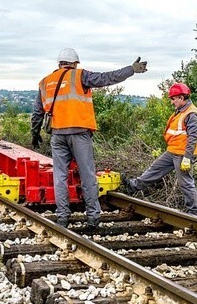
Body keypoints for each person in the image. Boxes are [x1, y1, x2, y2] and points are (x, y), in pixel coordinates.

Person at [31, 48, 148, 229]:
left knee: (60, 176)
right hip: (79, 133)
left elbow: (37, 111)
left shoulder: (45, 82)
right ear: (75, 63)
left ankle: (62, 217)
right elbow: (107, 78)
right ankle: (93, 216)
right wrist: (131, 69)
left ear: (59, 63)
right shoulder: (80, 76)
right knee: (87, 174)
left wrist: (35, 133)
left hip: (57, 134)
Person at [123, 83, 197, 216]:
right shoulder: (181, 111)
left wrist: (187, 158)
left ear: (181, 98)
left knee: (186, 183)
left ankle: (195, 213)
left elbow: (193, 138)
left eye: (173, 99)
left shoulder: (192, 114)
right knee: (154, 170)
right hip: (173, 151)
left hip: (183, 155)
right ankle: (133, 186)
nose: (172, 102)